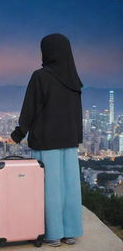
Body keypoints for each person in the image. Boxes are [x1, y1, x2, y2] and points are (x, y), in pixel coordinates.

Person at [10, 33, 84, 247]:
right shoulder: (74, 79)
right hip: (69, 141)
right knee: (70, 187)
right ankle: (70, 232)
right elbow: (76, 114)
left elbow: (30, 108)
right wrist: (76, 137)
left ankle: (53, 233)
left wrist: (18, 133)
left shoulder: (40, 76)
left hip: (47, 141)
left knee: (49, 187)